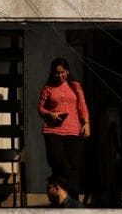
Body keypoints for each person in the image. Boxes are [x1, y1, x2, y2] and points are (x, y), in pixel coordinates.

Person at [37, 56, 90, 199]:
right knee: (58, 160)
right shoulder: (48, 88)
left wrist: (86, 123)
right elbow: (40, 108)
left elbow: (82, 106)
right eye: (56, 73)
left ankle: (71, 198)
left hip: (74, 130)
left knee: (74, 165)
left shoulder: (75, 86)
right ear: (52, 73)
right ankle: (59, 190)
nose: (59, 75)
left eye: (62, 72)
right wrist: (50, 114)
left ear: (67, 71)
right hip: (53, 131)